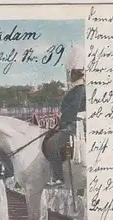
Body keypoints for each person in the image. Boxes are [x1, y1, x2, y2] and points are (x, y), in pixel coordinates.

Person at [46, 45, 86, 186]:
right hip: (70, 123)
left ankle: (58, 178)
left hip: (73, 125)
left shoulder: (79, 89)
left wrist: (63, 122)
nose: (70, 75)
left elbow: (72, 110)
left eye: (72, 73)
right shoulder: (76, 88)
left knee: (52, 145)